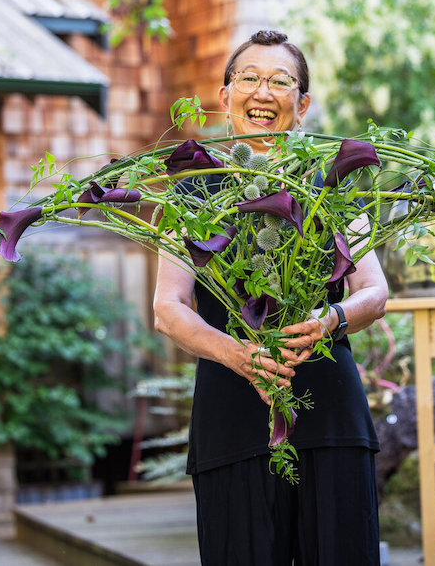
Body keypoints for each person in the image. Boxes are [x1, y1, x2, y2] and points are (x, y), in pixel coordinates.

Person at [153, 30, 389, 566]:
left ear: (301, 104)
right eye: (250, 79)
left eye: (281, 82)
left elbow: (375, 292)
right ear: (226, 96)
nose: (264, 92)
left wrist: (330, 320)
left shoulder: (332, 182)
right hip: (232, 419)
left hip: (329, 416)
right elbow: (168, 309)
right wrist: (240, 356)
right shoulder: (188, 191)